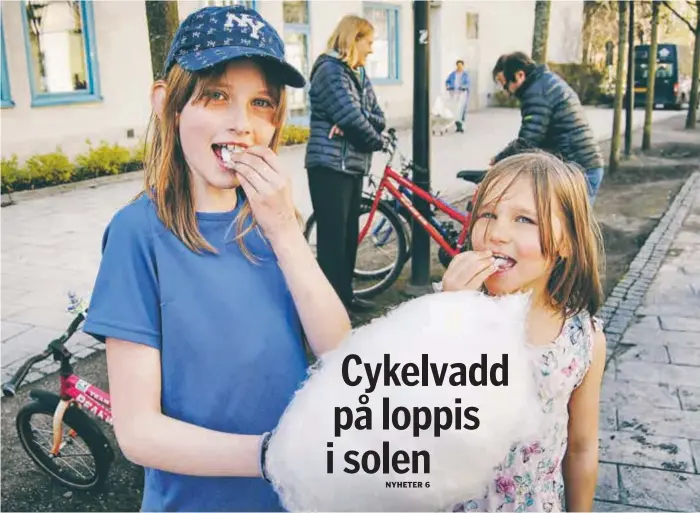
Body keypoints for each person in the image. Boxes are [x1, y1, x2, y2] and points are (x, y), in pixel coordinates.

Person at [82, 5, 351, 512]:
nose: (241, 123)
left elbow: (340, 352)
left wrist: (286, 233)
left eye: (261, 103)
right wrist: (272, 455)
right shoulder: (137, 234)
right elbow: (138, 432)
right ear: (168, 104)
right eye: (217, 96)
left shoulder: (273, 218)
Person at [442, 151, 606, 512]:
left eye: (523, 219)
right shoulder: (447, 310)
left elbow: (581, 448)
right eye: (487, 214)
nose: (497, 234)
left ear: (566, 242)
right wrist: (449, 317)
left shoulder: (581, 340)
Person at [304, 15, 386, 313]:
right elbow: (353, 119)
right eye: (369, 42)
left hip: (351, 165)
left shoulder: (357, 74)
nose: (372, 50)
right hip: (329, 167)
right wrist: (370, 134)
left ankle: (345, 297)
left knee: (349, 236)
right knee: (333, 241)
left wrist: (358, 123)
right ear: (354, 39)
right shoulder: (329, 71)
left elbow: (377, 117)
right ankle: (328, 309)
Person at [490, 52, 606, 203]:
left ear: (519, 75)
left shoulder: (537, 92)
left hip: (579, 170)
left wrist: (499, 161)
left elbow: (529, 140)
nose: (506, 91)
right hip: (581, 166)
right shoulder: (544, 83)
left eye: (504, 83)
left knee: (567, 224)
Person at [445, 59, 471, 133]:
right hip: (454, 93)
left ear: (463, 66)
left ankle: (461, 125)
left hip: (462, 93)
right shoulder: (453, 74)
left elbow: (467, 83)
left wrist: (463, 87)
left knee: (461, 109)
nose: (459, 67)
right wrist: (449, 86)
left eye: (460, 65)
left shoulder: (465, 75)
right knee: (455, 109)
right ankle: (457, 126)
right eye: (458, 65)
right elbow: (447, 81)